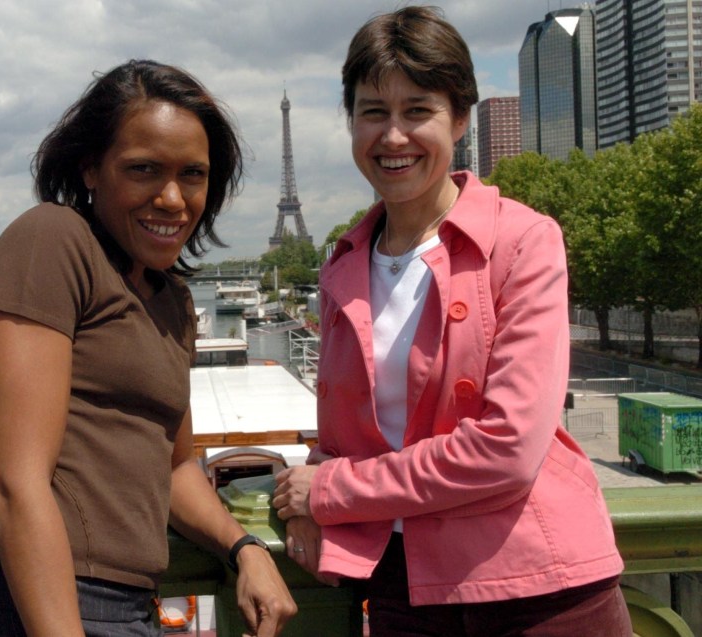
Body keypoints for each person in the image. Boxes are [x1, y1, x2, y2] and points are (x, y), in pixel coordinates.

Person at [271, 7, 632, 636]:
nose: (393, 137)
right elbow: (348, 436)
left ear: (459, 118)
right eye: (373, 112)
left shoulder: (523, 242)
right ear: (350, 121)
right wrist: (305, 497)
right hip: (402, 587)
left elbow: (507, 450)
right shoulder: (343, 263)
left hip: (535, 584)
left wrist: (331, 492)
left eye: (418, 111)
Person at [0, 59, 296, 637]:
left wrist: (243, 546)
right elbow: (15, 486)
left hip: (127, 611)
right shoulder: (52, 241)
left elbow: (174, 469)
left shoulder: (173, 300)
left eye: (193, 175)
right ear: (91, 168)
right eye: (144, 169)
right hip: (28, 605)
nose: (173, 198)